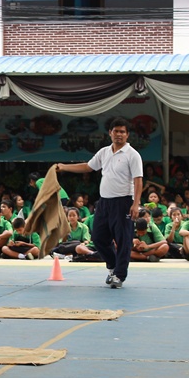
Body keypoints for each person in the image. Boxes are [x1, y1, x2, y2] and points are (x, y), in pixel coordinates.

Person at [56, 117, 143, 289]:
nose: (119, 134)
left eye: (122, 132)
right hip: (104, 202)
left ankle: (119, 275)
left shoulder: (132, 155)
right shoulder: (104, 152)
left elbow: (138, 180)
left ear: (127, 135)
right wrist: (64, 167)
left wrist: (135, 204)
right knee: (98, 237)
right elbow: (88, 167)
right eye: (116, 131)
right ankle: (112, 266)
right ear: (110, 133)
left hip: (123, 201)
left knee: (123, 239)